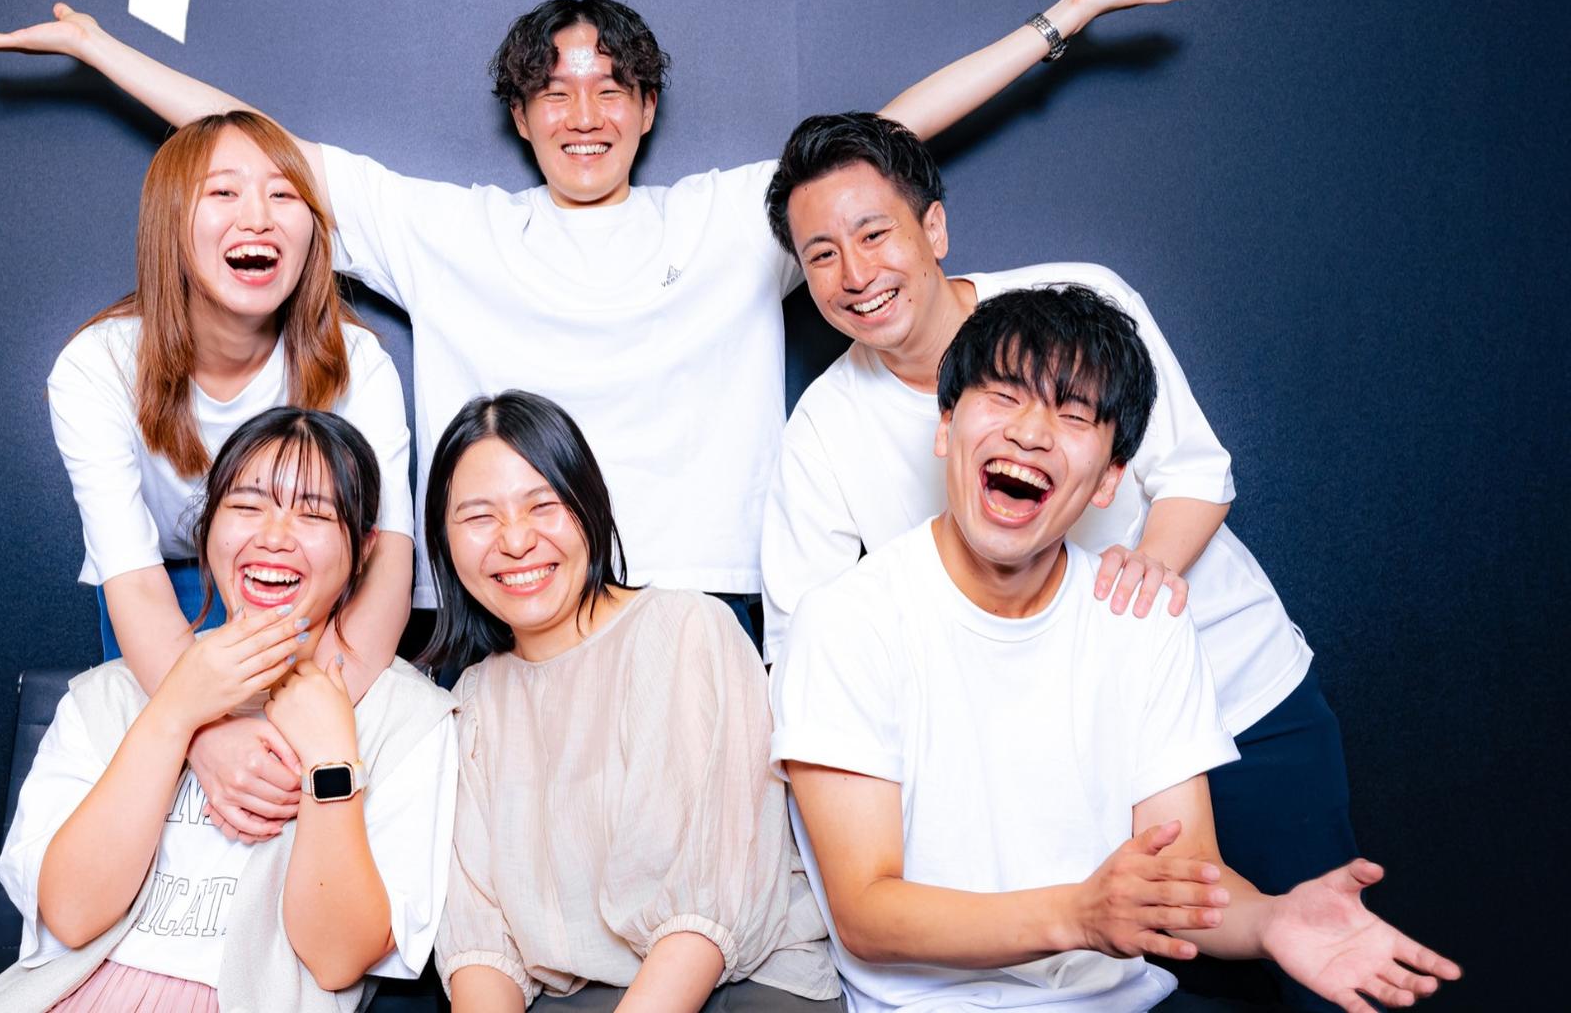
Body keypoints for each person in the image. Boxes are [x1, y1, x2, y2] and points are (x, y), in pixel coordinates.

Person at [0, 0, 1205, 638]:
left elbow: (887, 136)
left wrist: (1055, 25)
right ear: (522, 114)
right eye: (554, 89)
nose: (584, 111)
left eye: (611, 87)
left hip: (698, 600)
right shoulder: (450, 229)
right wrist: (102, 52)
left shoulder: (729, 216)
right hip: (498, 606)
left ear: (646, 108)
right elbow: (264, 153)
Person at [759, 113, 1354, 1006]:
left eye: (874, 234)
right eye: (821, 255)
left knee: (1313, 956)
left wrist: (1143, 582)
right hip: (1070, 765)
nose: (855, 273)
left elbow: (1195, 472)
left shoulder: (1079, 307)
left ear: (933, 227)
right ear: (948, 427)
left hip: (1237, 689)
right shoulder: (823, 434)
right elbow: (806, 645)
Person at [770, 287, 1460, 1013]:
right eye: (1003, 397)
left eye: (1073, 416)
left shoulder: (1141, 620)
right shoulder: (846, 622)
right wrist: (1078, 915)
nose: (1031, 433)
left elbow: (1185, 875)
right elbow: (868, 914)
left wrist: (1271, 921)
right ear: (946, 425)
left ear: (1108, 479)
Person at [0, 407, 458, 1012]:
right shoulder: (106, 698)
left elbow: (336, 958)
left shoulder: (410, 721)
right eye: (247, 506)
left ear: (363, 549)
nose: (273, 536)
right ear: (208, 530)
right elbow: (71, 914)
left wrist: (331, 759)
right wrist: (174, 713)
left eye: (312, 514)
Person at [45, 110, 416, 844]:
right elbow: (132, 579)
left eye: (284, 195)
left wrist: (301, 735)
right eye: (223, 193)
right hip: (167, 600)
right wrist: (202, 734)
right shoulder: (96, 366)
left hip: (317, 609)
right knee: (168, 824)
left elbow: (388, 562)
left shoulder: (359, 364)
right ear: (170, 223)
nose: (259, 218)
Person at [415, 391, 840, 1012]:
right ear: (444, 541)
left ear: (588, 504)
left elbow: (702, 922)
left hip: (731, 989)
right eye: (480, 518)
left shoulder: (688, 632)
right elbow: (481, 950)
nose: (516, 540)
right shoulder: (472, 705)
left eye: (542, 505)